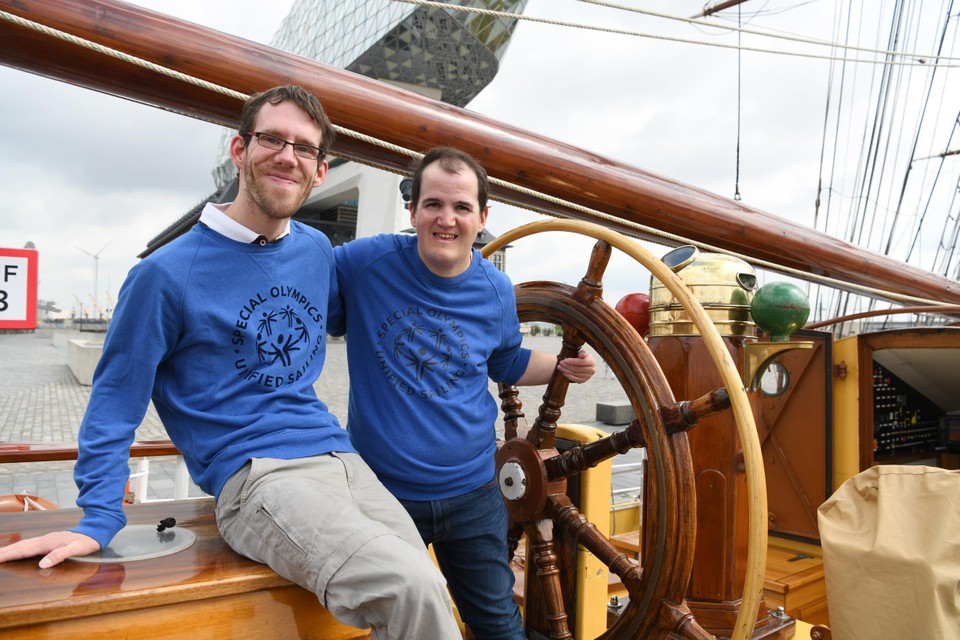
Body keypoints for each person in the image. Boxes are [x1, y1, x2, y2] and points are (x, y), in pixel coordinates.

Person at [0, 86, 461, 640]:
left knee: (427, 582)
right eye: (272, 139)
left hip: (343, 459)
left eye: (305, 148)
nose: (288, 155)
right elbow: (115, 400)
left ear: (320, 172)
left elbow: (356, 315)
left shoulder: (315, 250)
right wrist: (100, 515)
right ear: (239, 151)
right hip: (257, 477)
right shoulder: (163, 276)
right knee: (407, 586)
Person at [331, 146, 596, 640]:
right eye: (433, 204)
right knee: (393, 625)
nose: (445, 219)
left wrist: (561, 366)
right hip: (384, 495)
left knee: (497, 624)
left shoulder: (495, 289)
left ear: (482, 218)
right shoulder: (362, 264)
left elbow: (505, 362)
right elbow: (300, 292)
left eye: (461, 207)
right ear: (412, 211)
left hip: (474, 494)